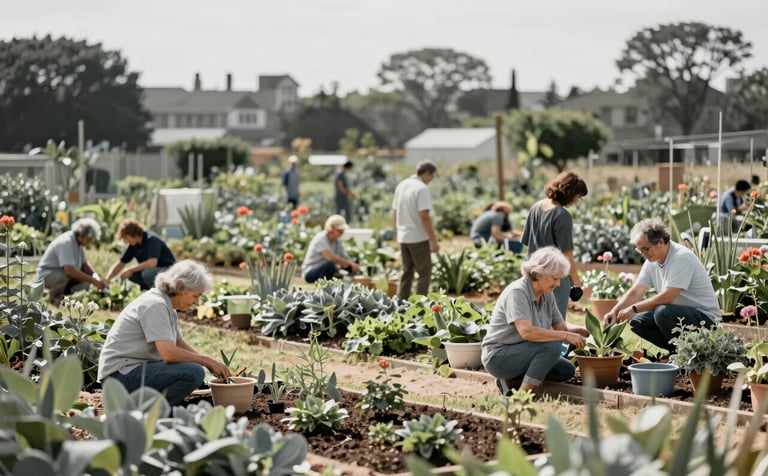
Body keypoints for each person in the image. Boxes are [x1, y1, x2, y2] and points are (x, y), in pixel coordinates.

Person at [97, 260, 230, 407]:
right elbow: (169, 354)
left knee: (195, 369)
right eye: (195, 296)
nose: (197, 302)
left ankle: (157, 405)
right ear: (180, 287)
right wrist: (205, 361)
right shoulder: (156, 305)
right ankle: (151, 410)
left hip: (129, 372)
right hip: (119, 378)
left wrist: (210, 364)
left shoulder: (165, 305)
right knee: (194, 373)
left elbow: (179, 343)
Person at [482, 247, 589, 394]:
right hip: (499, 356)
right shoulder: (517, 292)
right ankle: (522, 396)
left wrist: (584, 331)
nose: (558, 284)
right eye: (555, 278)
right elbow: (527, 332)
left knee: (566, 370)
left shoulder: (546, 293)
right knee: (552, 347)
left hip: (524, 352)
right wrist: (565, 336)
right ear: (538, 274)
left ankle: (510, 382)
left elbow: (561, 327)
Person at [604, 218, 719, 354]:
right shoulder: (652, 261)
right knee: (637, 321)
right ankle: (679, 352)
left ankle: (688, 353)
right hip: (680, 316)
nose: (643, 255)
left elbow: (668, 297)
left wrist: (634, 308)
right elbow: (636, 292)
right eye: (640, 251)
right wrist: (615, 311)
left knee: (662, 313)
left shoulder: (681, 257)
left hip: (705, 320)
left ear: (660, 242)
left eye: (645, 249)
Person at [521, 171, 588, 320]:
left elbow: (527, 242)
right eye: (577, 197)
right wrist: (576, 281)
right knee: (555, 319)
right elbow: (567, 255)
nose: (577, 201)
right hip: (554, 277)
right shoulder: (562, 215)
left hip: (532, 273)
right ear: (569, 193)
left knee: (534, 317)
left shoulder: (535, 207)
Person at [392, 159, 439, 299]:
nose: (432, 179)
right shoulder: (421, 188)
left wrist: (398, 232)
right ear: (427, 173)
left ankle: (402, 302)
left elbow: (395, 212)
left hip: (403, 236)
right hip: (418, 236)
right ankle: (420, 304)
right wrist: (433, 240)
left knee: (407, 271)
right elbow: (424, 216)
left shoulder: (402, 185)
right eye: (432, 175)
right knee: (424, 273)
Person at [37, 217, 107, 305]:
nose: (90, 242)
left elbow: (84, 265)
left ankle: (65, 297)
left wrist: (96, 277)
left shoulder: (79, 245)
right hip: (47, 274)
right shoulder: (66, 242)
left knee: (85, 283)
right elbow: (69, 270)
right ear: (81, 235)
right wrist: (93, 281)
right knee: (64, 275)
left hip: (63, 275)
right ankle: (54, 298)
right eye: (89, 239)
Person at [104, 219, 177, 290]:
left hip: (169, 271)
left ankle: (158, 293)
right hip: (155, 272)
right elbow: (121, 263)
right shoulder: (133, 245)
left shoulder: (152, 240)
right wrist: (108, 278)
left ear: (133, 234)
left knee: (146, 273)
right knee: (132, 274)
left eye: (126, 237)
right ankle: (149, 290)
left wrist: (130, 269)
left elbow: (152, 263)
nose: (125, 240)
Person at [302, 215, 361, 283]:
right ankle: (324, 286)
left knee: (348, 266)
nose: (342, 233)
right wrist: (349, 263)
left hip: (329, 270)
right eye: (339, 230)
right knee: (330, 265)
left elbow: (344, 257)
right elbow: (330, 257)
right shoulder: (321, 238)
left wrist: (353, 265)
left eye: (342, 230)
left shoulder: (337, 241)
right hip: (310, 272)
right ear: (331, 229)